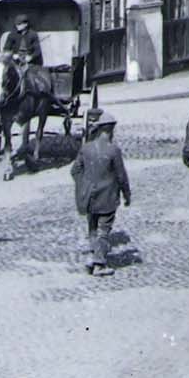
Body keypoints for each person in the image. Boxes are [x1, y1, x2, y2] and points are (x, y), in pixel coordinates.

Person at [70, 110, 131, 276]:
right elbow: (121, 176)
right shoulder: (113, 151)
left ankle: (93, 256)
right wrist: (127, 195)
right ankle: (99, 264)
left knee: (92, 228)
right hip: (108, 198)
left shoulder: (86, 148)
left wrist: (84, 185)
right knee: (104, 229)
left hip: (89, 197)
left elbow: (75, 170)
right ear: (110, 130)